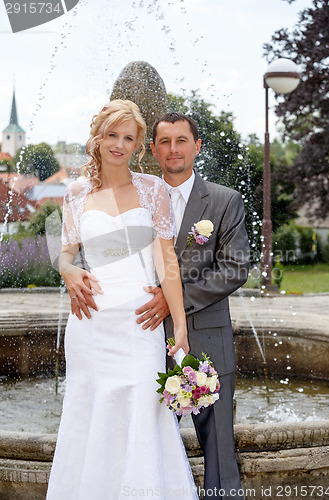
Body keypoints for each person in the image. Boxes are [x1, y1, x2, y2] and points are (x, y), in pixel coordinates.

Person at [70, 111, 250, 499]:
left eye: (181, 140)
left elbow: (235, 269)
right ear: (151, 149)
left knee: (219, 451)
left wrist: (174, 305)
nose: (173, 149)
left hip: (201, 339)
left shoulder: (223, 200)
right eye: (164, 142)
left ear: (197, 146)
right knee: (133, 434)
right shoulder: (128, 191)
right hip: (130, 334)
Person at [46, 101, 199, 500]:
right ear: (98, 138)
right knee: (89, 413)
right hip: (91, 325)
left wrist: (179, 326)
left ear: (138, 146)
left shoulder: (153, 190)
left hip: (139, 325)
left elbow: (167, 262)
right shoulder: (75, 193)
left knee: (142, 411)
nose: (118, 143)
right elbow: (66, 253)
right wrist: (68, 270)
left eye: (127, 137)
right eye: (112, 134)